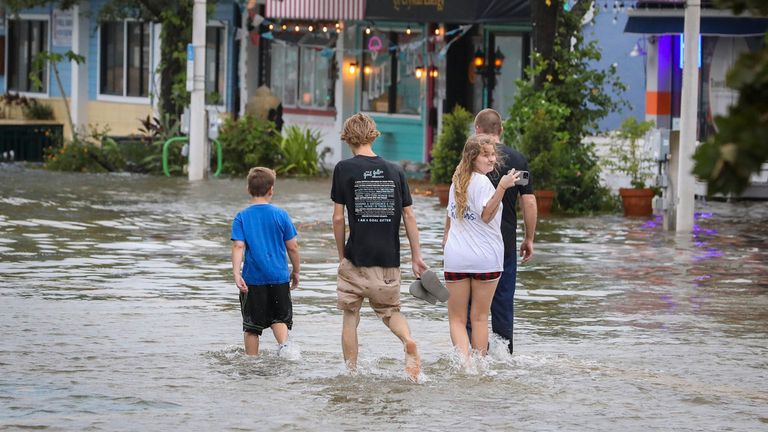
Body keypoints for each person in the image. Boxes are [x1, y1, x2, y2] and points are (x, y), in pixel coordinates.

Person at [331, 113, 428, 382]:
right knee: (391, 312)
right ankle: (408, 340)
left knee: (351, 316)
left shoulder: (343, 169)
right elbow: (409, 216)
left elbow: (338, 218)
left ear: (347, 139)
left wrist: (342, 256)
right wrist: (416, 256)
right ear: (374, 136)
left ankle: (350, 374)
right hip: (389, 261)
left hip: (356, 258)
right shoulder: (396, 170)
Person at [443, 134, 519, 364]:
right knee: (479, 317)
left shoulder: (456, 182)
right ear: (473, 157)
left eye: (493, 154)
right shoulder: (484, 183)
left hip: (456, 258)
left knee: (457, 319)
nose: (492, 159)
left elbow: (449, 221)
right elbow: (487, 215)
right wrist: (503, 187)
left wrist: (446, 248)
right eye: (486, 155)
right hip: (485, 259)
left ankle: (465, 366)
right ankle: (479, 368)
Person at [474, 108, 537, 354]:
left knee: (471, 303)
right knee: (502, 301)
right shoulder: (517, 160)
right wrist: (529, 238)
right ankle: (503, 356)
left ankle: (471, 355)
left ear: (477, 130)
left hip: (473, 241)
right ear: (501, 130)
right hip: (505, 240)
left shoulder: (470, 158)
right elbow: (529, 202)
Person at [231, 167, 300, 356]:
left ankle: (252, 363)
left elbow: (238, 246)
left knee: (252, 327)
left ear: (248, 189)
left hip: (253, 279)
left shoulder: (242, 217)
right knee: (279, 318)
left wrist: (236, 273)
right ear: (271, 190)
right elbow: (293, 246)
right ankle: (286, 350)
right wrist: (296, 271)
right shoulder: (281, 215)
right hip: (279, 277)